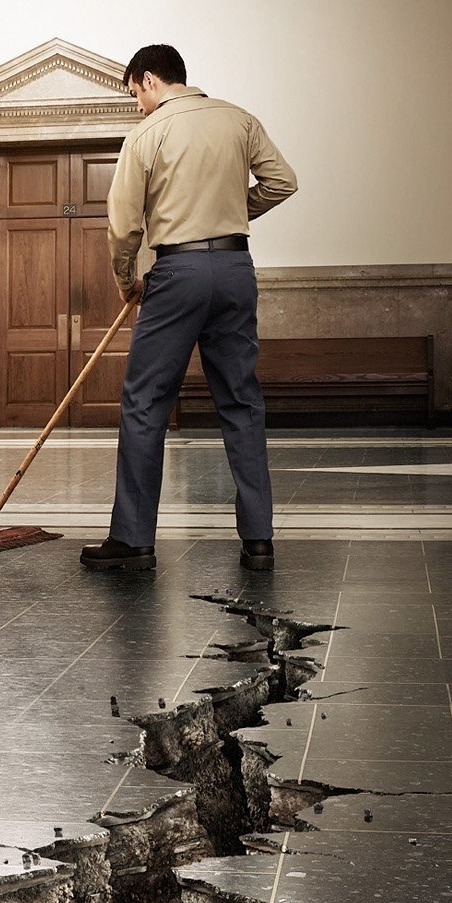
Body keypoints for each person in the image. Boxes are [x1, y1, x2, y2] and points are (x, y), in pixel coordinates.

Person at [80, 44, 297, 573]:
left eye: (134, 93)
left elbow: (125, 221)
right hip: (234, 269)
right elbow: (283, 182)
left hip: (177, 274)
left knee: (145, 402)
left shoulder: (146, 134)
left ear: (150, 79)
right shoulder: (239, 119)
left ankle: (132, 541)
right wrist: (226, 211)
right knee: (242, 403)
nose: (136, 106)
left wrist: (126, 277)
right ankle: (259, 540)